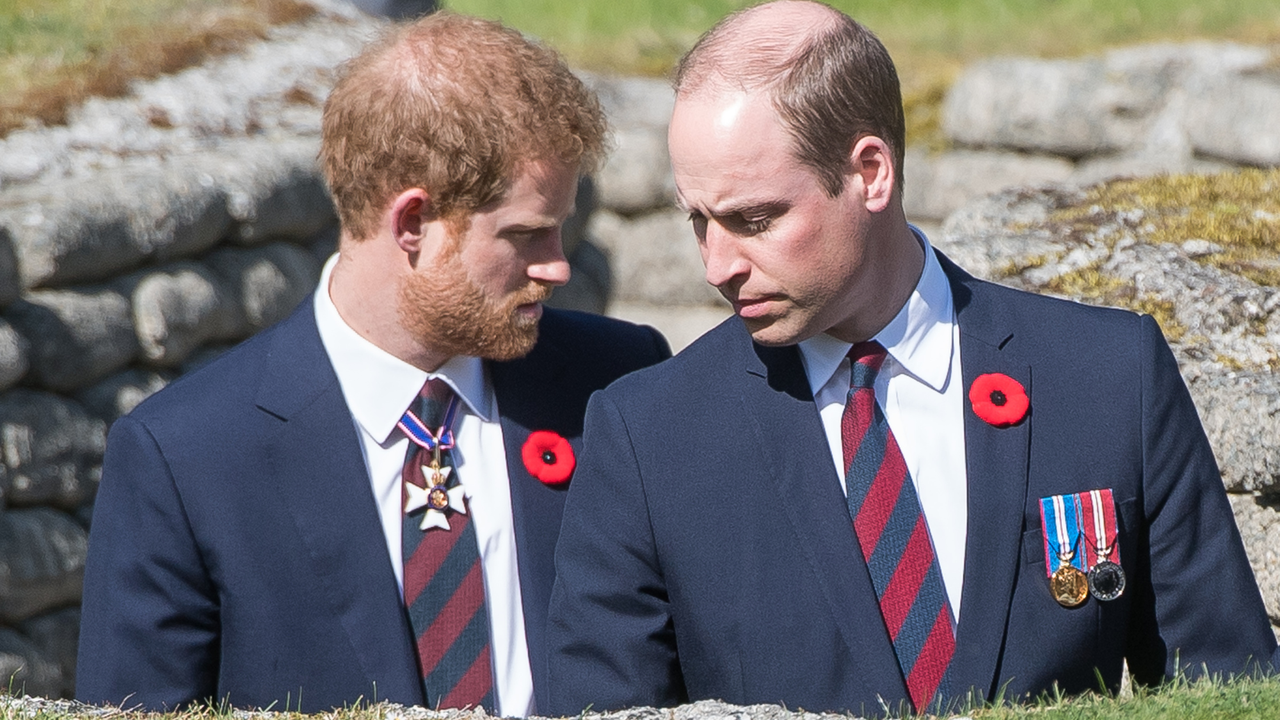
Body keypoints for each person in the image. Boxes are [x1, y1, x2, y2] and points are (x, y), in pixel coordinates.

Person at [545, 1, 1278, 716]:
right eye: (698, 222)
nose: (716, 264)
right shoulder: (649, 436)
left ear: (871, 173)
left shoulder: (1107, 374)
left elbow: (1225, 689)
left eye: (755, 220)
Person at [76, 12, 670, 715]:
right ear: (412, 224)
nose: (558, 265)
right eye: (526, 234)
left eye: (561, 228)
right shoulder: (187, 456)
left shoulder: (617, 382)